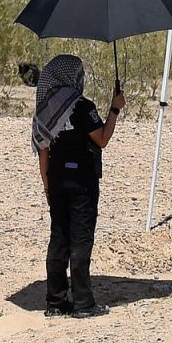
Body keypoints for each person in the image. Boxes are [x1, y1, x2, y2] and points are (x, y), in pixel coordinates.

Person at [32, 54, 123, 319]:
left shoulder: (46, 109)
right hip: (82, 182)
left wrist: (47, 186)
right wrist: (115, 109)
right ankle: (83, 302)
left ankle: (56, 301)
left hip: (58, 180)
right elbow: (102, 138)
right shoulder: (83, 107)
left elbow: (43, 152)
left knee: (58, 239)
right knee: (81, 239)